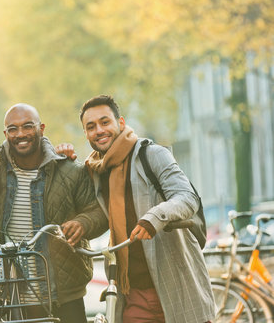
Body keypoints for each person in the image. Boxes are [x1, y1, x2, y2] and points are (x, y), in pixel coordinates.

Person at [78, 95, 215, 323]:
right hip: (134, 295)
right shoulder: (95, 170)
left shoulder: (152, 154)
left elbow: (187, 197)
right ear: (85, 134)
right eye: (90, 127)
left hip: (175, 286)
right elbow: (101, 215)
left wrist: (154, 217)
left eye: (105, 122)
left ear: (120, 123)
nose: (99, 130)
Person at [0, 103, 107, 323]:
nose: (20, 134)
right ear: (5, 134)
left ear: (41, 128)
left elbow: (99, 212)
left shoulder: (69, 170)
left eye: (28, 126)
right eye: (13, 129)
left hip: (64, 293)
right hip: (13, 294)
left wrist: (83, 223)